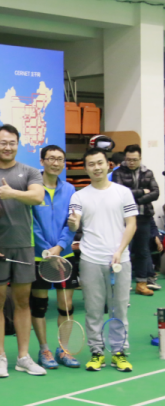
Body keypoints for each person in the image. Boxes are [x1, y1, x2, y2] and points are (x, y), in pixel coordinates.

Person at [0, 124, 46, 378]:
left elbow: (37, 197)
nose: (7, 147)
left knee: (23, 302)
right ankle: (0, 357)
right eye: (3, 142)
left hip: (24, 246)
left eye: (12, 142)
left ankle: (23, 357)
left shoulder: (30, 172)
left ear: (18, 144)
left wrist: (11, 193)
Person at [68, 148, 137, 372]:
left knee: (119, 309)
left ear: (108, 165)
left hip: (119, 260)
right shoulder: (79, 196)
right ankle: (97, 352)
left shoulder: (123, 192)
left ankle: (119, 353)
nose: (96, 168)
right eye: (91, 164)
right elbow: (74, 223)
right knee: (93, 309)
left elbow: (131, 224)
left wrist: (120, 250)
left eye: (100, 163)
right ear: (86, 168)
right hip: (90, 259)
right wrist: (73, 223)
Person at [30, 145, 79, 369]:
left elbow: (72, 222)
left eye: (59, 159)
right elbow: (31, 223)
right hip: (39, 257)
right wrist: (47, 250)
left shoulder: (70, 190)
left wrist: (59, 247)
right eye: (51, 158)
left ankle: (64, 348)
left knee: (66, 305)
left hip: (64, 255)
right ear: (42, 161)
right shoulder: (33, 188)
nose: (55, 163)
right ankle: (44, 349)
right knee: (39, 305)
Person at [112, 144, 160, 296]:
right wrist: (142, 192)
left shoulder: (148, 172)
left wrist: (135, 201)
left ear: (140, 158)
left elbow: (155, 193)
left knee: (143, 251)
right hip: (124, 219)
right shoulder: (118, 172)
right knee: (124, 250)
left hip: (144, 217)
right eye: (128, 159)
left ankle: (141, 283)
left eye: (134, 159)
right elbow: (119, 193)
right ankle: (123, 285)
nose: (131, 162)